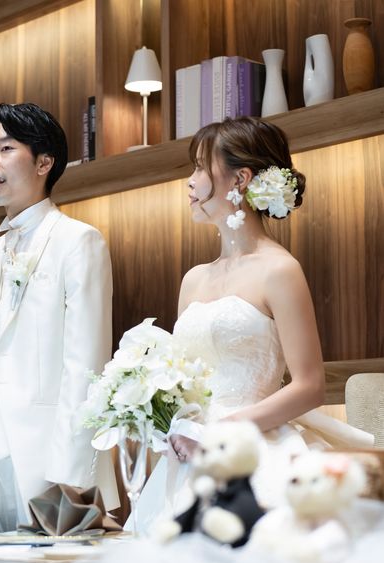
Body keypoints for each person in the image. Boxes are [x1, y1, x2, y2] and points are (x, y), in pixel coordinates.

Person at [128, 116, 374, 531]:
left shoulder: (280, 270)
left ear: (240, 179)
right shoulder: (193, 279)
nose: (189, 182)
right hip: (190, 453)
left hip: (256, 446)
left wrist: (222, 432)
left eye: (200, 168)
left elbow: (310, 386)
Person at [0, 102, 118, 532]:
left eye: (6, 149)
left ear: (44, 162)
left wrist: (68, 480)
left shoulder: (78, 242)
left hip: (49, 464)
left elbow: (87, 369)